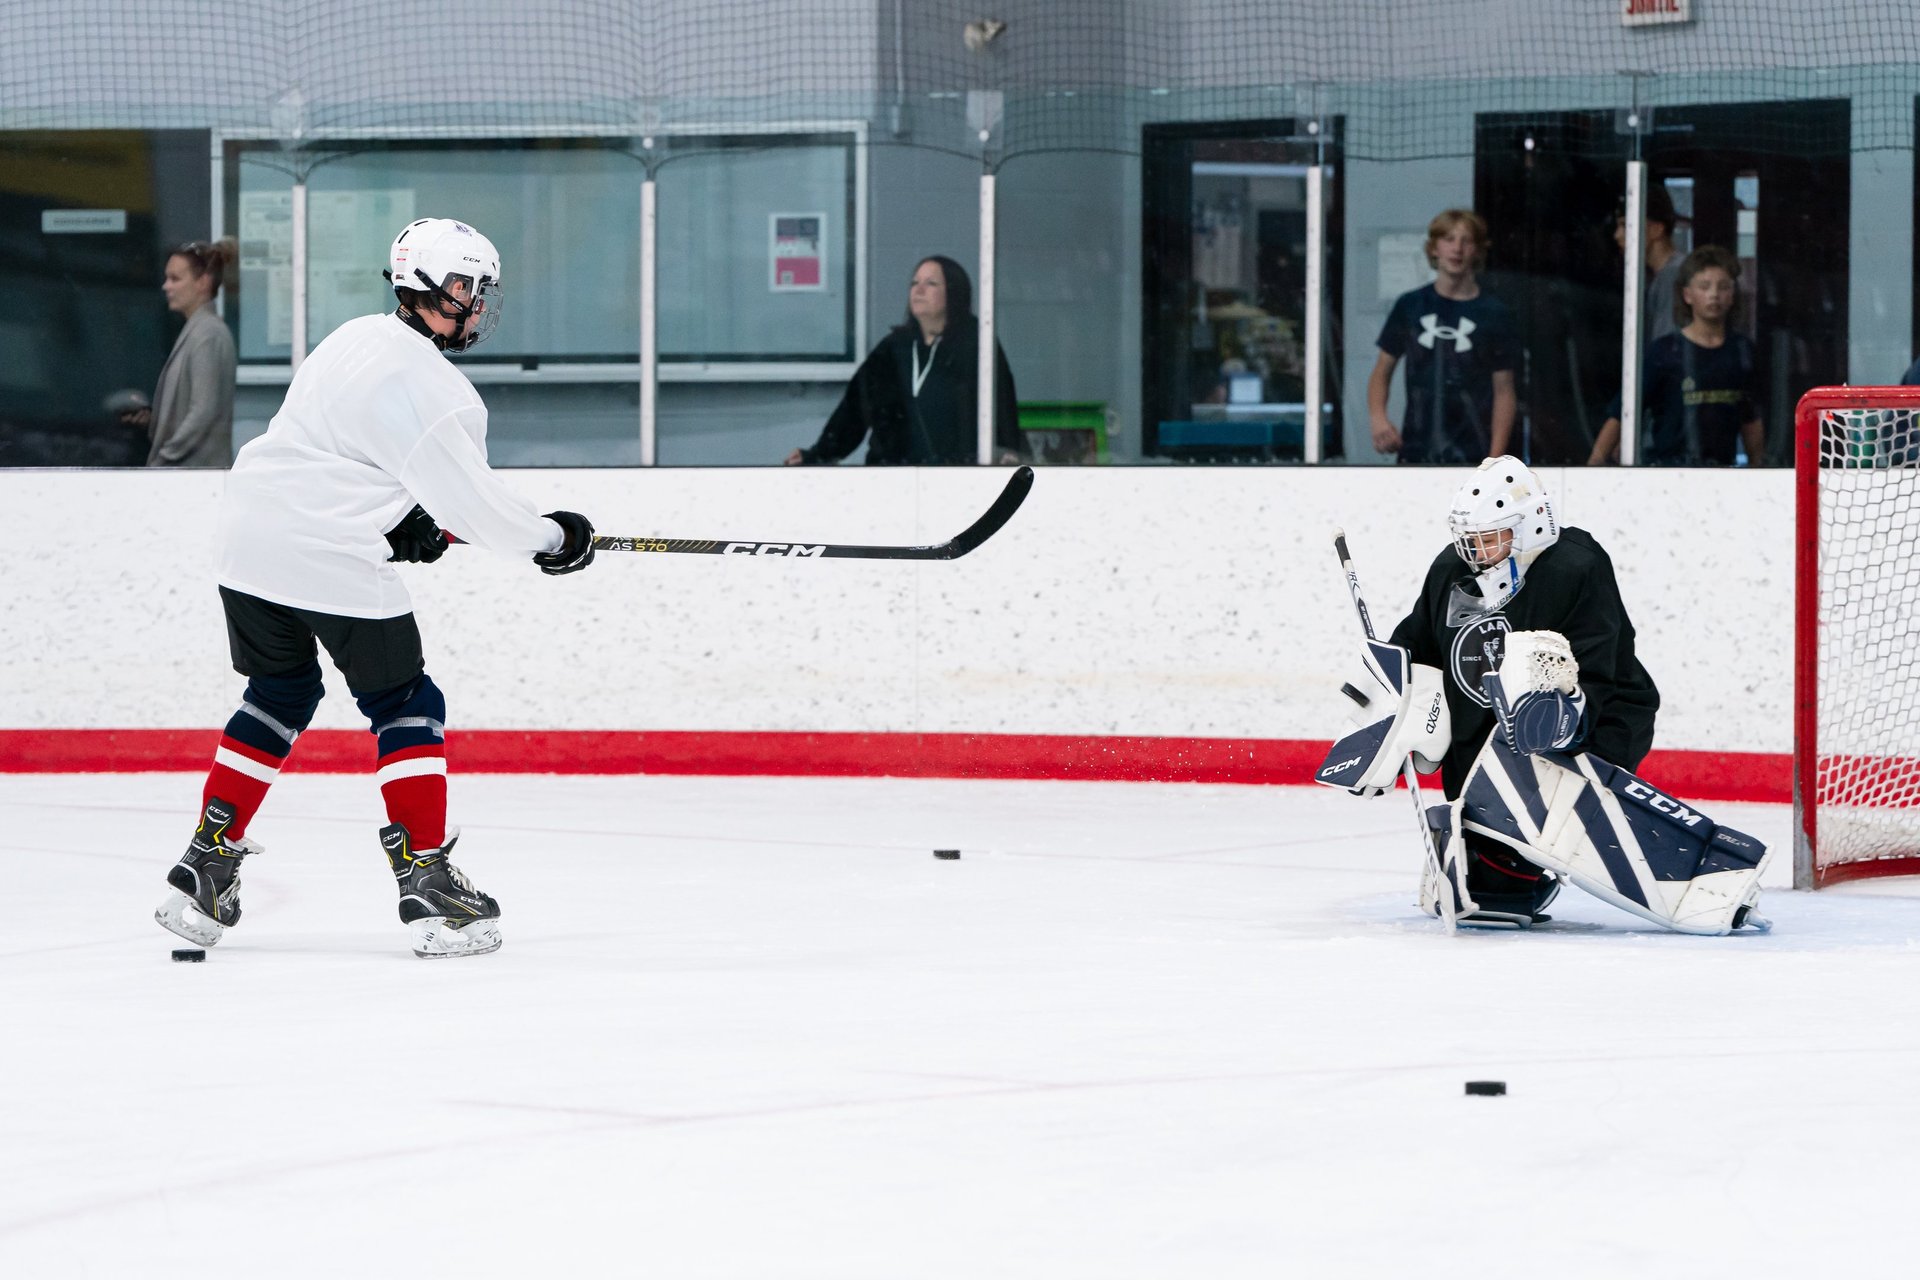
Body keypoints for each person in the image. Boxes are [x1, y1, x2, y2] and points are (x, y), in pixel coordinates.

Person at [154, 217, 597, 960]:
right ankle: (426, 876)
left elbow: (338, 454)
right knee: (405, 703)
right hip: (326, 555)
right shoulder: (442, 392)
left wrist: (398, 524)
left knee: (280, 693)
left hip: (248, 540)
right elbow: (478, 512)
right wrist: (555, 538)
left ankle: (206, 862)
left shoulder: (354, 336)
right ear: (421, 285)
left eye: (481, 290)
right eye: (465, 288)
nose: (477, 304)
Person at [1316, 458, 1768, 934]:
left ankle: (1702, 879)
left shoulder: (1574, 565)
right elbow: (1417, 649)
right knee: (1478, 888)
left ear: (1531, 525)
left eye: (1489, 539)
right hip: (1484, 742)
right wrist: (1385, 712)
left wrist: (1561, 719)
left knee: (1534, 837)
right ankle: (1514, 862)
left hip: (1597, 722)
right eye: (1469, 540)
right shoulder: (1453, 568)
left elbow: (1599, 668)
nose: (1475, 552)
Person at [786, 255, 1022, 466]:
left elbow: (1001, 403)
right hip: (892, 477)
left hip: (955, 477)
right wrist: (818, 454)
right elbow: (855, 409)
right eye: (914, 283)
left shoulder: (975, 344)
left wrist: (1009, 451)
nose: (919, 290)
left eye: (931, 283)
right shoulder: (894, 347)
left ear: (954, 292)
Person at [1366, 209, 1518, 465]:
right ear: (1434, 248)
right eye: (1448, 239)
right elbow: (1382, 369)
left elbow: (1504, 390)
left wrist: (1495, 460)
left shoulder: (1495, 315)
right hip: (1416, 447)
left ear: (1478, 250)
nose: (1456, 249)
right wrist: (1378, 418)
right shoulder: (1411, 306)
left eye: (1466, 241)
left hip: (1474, 450)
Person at [1590, 245, 1763, 466]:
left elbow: (1751, 420)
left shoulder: (1742, 351)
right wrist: (1593, 464)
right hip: (1668, 471)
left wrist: (1758, 467)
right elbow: (1623, 412)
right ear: (1687, 294)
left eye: (1723, 287)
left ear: (1732, 295)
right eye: (1704, 286)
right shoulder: (1664, 352)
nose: (1714, 295)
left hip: (1724, 472)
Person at [124, 239, 238, 467]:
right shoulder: (198, 330)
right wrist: (155, 421)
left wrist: (163, 457)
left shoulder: (207, 334)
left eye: (175, 279)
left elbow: (202, 413)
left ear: (202, 283)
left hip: (194, 478)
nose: (166, 286)